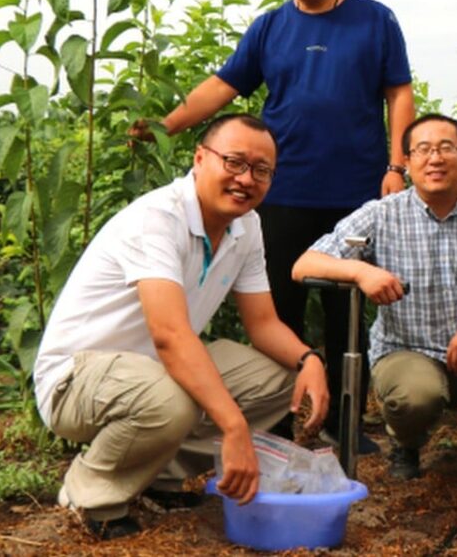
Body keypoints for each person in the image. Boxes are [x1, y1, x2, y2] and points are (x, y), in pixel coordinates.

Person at [136, 0, 414, 452]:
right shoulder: (270, 27)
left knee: (347, 314)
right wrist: (164, 126)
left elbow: (398, 92)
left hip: (356, 194)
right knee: (279, 306)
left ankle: (347, 422)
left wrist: (396, 167)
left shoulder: (376, 20)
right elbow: (223, 86)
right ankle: (284, 421)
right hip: (280, 191)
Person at [34, 115, 329, 540]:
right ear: (199, 159)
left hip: (151, 371)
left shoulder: (246, 227)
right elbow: (170, 336)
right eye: (234, 162)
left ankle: (158, 475)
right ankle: (90, 494)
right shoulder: (157, 218)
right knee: (171, 399)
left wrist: (309, 360)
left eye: (261, 170)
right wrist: (234, 427)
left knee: (278, 380)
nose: (246, 179)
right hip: (76, 377)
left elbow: (263, 323)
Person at [291, 114, 457, 479]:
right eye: (424, 150)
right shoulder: (383, 214)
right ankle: (406, 442)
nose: (435, 158)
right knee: (413, 398)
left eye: (446, 148)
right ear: (408, 161)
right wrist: (362, 270)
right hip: (407, 349)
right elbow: (304, 265)